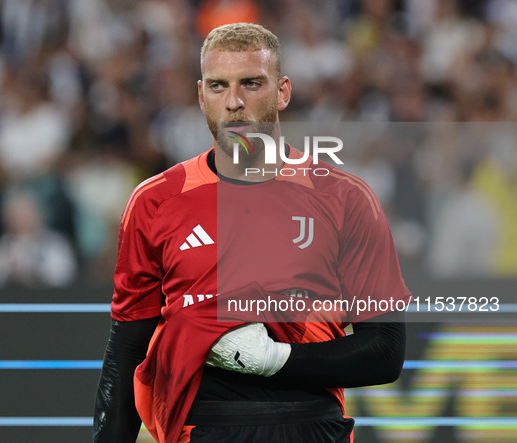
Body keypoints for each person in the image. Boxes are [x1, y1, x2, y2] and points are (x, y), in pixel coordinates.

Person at [93, 23, 411, 443]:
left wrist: (274, 358)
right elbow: (126, 352)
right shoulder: (156, 201)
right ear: (200, 95)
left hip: (312, 426)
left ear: (282, 92)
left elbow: (386, 352)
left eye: (251, 83)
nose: (235, 102)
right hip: (202, 427)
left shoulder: (344, 198)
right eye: (219, 86)